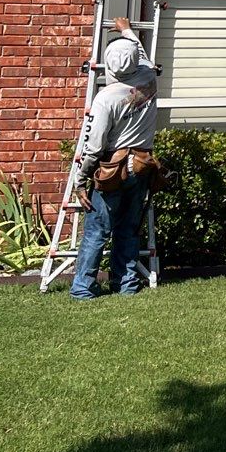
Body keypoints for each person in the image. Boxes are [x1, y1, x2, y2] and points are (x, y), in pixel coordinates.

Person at [70, 17, 161, 300]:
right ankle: (126, 284)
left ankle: (83, 288)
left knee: (97, 229)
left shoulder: (106, 98)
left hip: (113, 168)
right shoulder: (148, 78)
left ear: (108, 66)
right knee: (128, 228)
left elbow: (94, 146)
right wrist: (127, 30)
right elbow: (140, 53)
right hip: (141, 166)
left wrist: (81, 179)